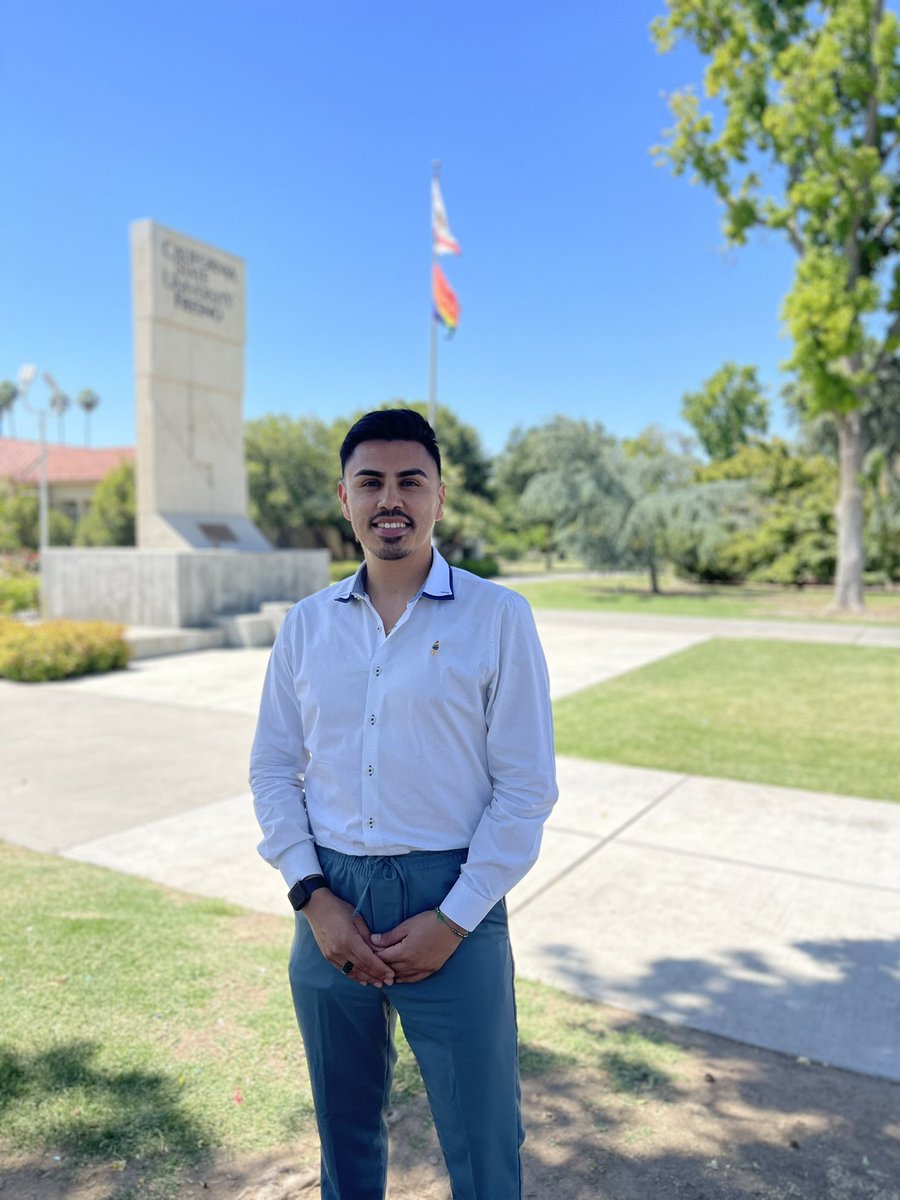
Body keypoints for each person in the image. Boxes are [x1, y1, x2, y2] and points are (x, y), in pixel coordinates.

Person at [250, 408, 557, 1200]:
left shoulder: (497, 616)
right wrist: (312, 897)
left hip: (453, 895)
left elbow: (526, 786)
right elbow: (273, 768)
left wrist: (454, 919)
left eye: (410, 481)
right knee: (343, 1129)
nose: (391, 499)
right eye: (371, 482)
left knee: (484, 1139)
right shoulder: (306, 625)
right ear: (344, 497)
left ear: (439, 497)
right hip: (330, 897)